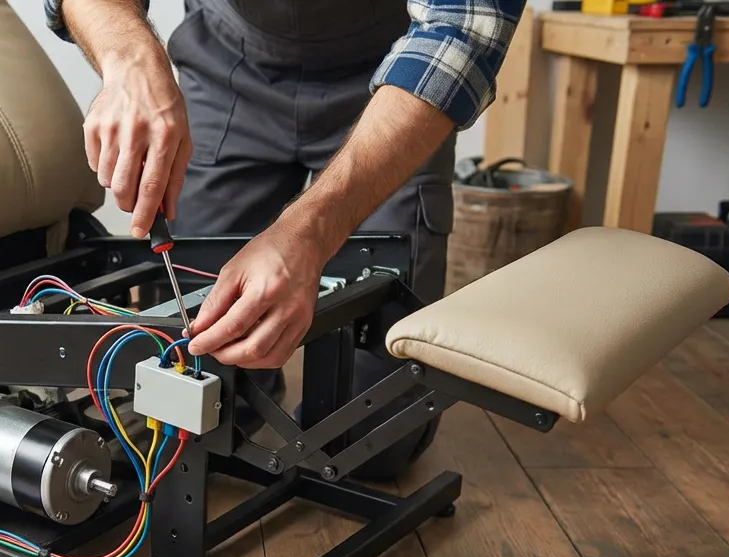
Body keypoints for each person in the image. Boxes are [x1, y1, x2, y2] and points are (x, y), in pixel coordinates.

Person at [46, 0, 523, 479]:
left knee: (365, 447)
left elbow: (464, 30)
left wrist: (309, 234)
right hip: (229, 67)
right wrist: (130, 59)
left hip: (398, 78)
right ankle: (254, 391)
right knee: (192, 392)